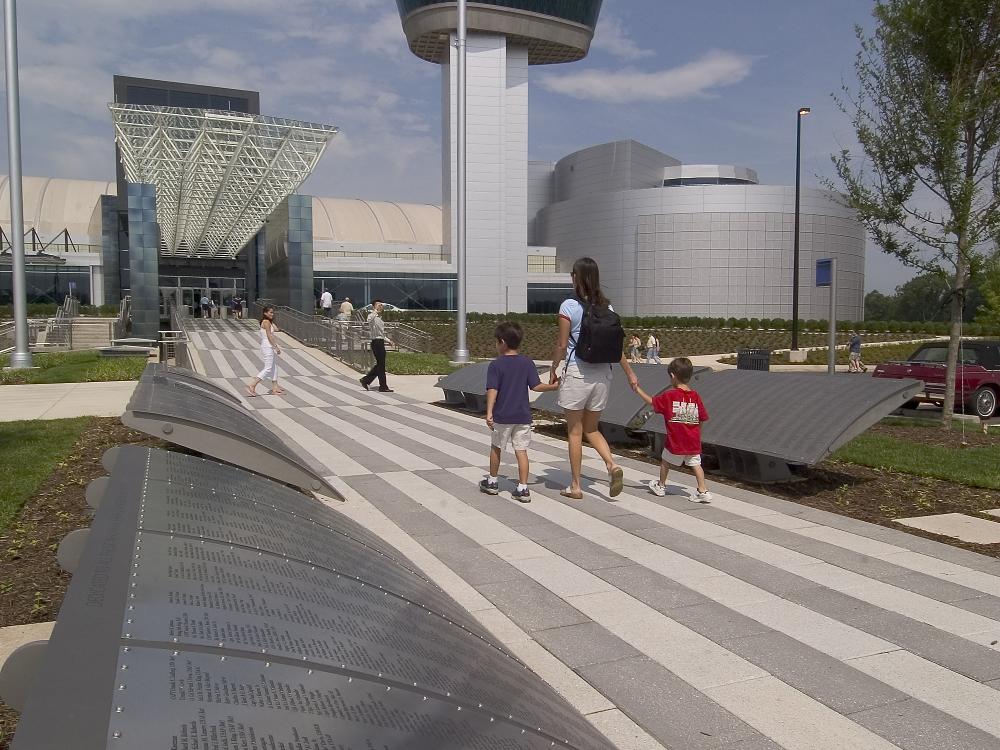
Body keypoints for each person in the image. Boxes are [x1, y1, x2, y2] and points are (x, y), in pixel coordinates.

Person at [549, 257, 638, 500]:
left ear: (576, 278)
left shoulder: (568, 306)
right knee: (592, 428)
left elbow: (561, 343)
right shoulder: (607, 308)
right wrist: (630, 373)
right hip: (603, 376)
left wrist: (554, 367)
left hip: (578, 373)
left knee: (575, 432)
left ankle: (576, 486)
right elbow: (616, 347)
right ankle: (611, 465)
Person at [480, 322, 561, 502]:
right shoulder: (527, 363)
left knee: (497, 447)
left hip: (502, 416)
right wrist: (554, 387)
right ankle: (523, 488)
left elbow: (492, 389)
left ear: (502, 342)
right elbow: (536, 386)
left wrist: (489, 412)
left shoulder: (496, 365)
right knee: (521, 450)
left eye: (496, 342)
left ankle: (492, 482)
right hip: (523, 417)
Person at [635, 357, 712, 503]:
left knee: (665, 461)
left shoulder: (670, 396)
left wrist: (638, 389)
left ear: (672, 376)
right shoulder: (695, 396)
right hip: (693, 440)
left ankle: (661, 485)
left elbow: (652, 402)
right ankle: (703, 490)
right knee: (696, 464)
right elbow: (702, 417)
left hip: (676, 439)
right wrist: (697, 433)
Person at [247, 305, 284, 397]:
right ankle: (252, 385)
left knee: (274, 366)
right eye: (270, 312)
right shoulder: (266, 322)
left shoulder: (268, 322)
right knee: (268, 368)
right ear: (265, 313)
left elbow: (276, 329)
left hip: (268, 346)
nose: (272, 314)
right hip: (268, 346)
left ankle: (275, 387)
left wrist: (272, 319)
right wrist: (276, 347)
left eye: (272, 312)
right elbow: (269, 335)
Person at [360, 300, 393, 392]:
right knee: (381, 365)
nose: (380, 306)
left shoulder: (379, 318)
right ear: (374, 306)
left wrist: (388, 340)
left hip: (380, 341)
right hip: (376, 342)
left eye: (381, 305)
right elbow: (368, 320)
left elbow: (381, 333)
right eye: (378, 305)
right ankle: (382, 386)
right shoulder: (372, 315)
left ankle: (366, 380)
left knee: (380, 365)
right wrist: (375, 312)